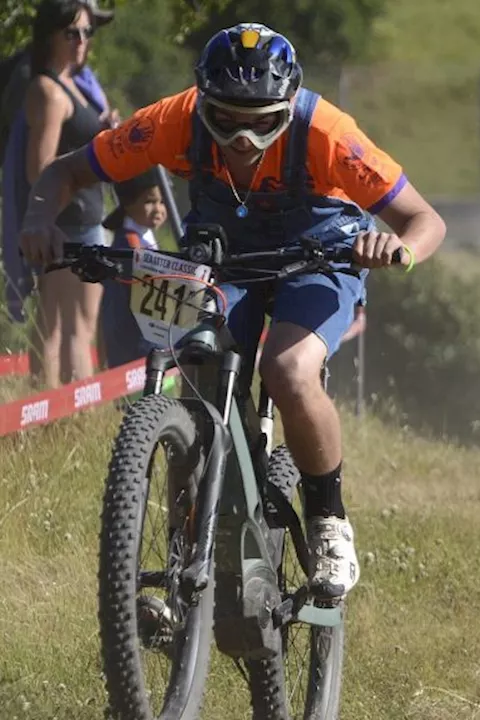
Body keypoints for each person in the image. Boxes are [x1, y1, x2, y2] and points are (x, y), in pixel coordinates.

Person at [19, 22, 448, 602]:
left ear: (289, 105)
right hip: (225, 255)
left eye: (263, 121)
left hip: (321, 254)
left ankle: (329, 521)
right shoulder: (173, 119)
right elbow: (65, 171)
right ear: (203, 104)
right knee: (196, 380)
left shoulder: (328, 132)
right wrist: (39, 219)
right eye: (225, 120)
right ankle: (182, 562)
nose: (243, 138)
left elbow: (425, 221)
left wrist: (397, 250)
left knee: (289, 370)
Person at [11, 0, 119, 388]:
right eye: (71, 32)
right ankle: (57, 417)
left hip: (89, 217)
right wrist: (46, 224)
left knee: (77, 327)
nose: (81, 41)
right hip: (65, 223)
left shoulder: (80, 83)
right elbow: (38, 169)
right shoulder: (48, 91)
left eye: (87, 32)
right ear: (50, 35)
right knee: (61, 326)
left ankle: (67, 420)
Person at [98, 167, 167, 369]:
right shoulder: (128, 245)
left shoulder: (144, 237)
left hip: (148, 342)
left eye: (162, 202)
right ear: (128, 204)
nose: (158, 209)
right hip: (134, 346)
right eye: (149, 201)